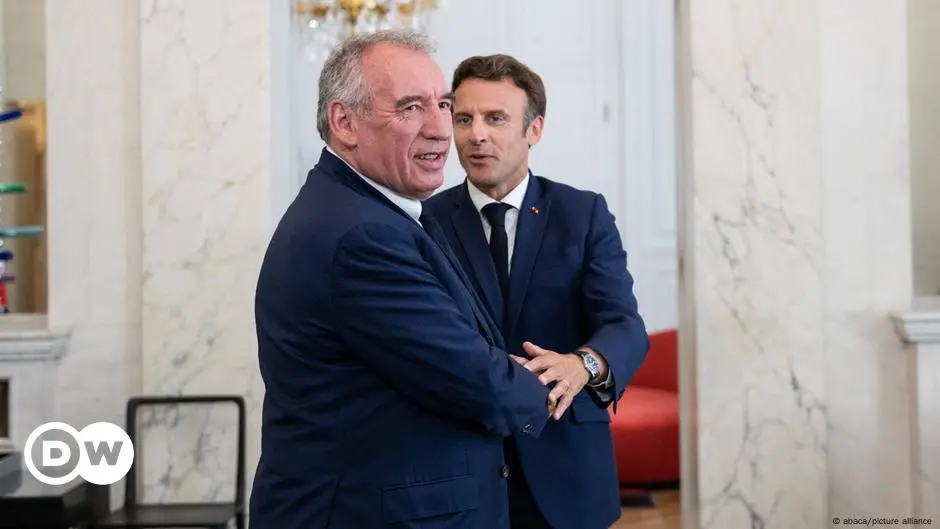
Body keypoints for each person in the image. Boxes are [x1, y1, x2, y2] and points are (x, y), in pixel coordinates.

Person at [249, 33, 554, 529]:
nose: (440, 129)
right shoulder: (361, 235)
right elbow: (477, 382)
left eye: (443, 105)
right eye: (411, 108)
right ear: (344, 122)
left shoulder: (379, 210)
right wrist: (555, 382)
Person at [424, 54, 650, 529]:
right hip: (463, 468)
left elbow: (625, 326)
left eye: (495, 118)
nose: (475, 134)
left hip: (567, 464)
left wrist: (583, 364)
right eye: (463, 119)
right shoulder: (426, 222)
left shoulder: (583, 214)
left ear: (535, 129)